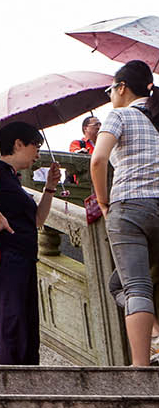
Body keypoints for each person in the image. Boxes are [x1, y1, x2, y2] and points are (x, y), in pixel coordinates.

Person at [0, 121, 61, 365]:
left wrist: (49, 188)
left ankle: (29, 381)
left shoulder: (13, 180)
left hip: (25, 259)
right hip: (5, 258)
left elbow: (37, 220)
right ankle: (11, 380)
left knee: (27, 325)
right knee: (11, 321)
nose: (38, 153)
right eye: (34, 146)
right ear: (18, 144)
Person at [90, 60, 159, 367]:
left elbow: (98, 160)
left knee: (133, 286)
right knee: (143, 283)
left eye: (110, 90)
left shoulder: (119, 115)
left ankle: (141, 367)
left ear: (121, 88)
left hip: (130, 207)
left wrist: (103, 202)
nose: (110, 96)